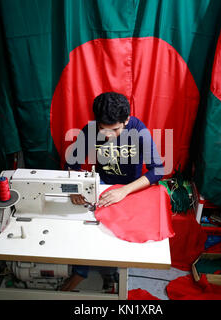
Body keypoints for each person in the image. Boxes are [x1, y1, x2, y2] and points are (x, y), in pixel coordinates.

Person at [60, 92, 164, 291]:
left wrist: (124, 191)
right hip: (101, 188)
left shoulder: (138, 130)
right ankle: (87, 272)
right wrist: (75, 188)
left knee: (114, 238)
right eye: (102, 129)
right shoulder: (90, 130)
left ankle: (108, 274)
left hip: (129, 191)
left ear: (126, 119)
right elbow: (70, 164)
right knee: (89, 230)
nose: (108, 135)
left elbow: (157, 170)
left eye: (115, 129)